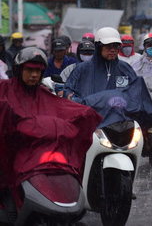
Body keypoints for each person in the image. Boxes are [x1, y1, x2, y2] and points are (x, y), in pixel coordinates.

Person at [0, 47, 102, 203]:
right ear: (18, 70)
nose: (34, 75)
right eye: (29, 70)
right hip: (14, 151)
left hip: (44, 154)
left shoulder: (44, 94)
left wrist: (89, 113)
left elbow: (64, 109)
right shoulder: (5, 89)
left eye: (38, 71)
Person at [64, 27, 139, 102]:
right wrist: (78, 101)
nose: (112, 50)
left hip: (117, 112)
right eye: (108, 46)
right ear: (99, 47)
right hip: (89, 112)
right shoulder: (83, 69)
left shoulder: (125, 69)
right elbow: (67, 90)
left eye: (115, 46)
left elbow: (136, 92)